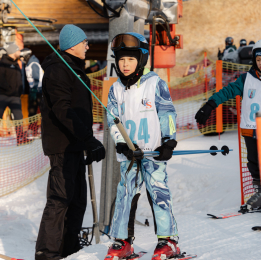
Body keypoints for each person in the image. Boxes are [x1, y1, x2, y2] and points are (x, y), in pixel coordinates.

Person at [105, 32, 179, 260]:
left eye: (130, 59)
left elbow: (167, 112)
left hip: (154, 153)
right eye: (121, 59)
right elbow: (112, 120)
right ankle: (122, 242)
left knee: (158, 193)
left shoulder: (155, 83)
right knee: (125, 194)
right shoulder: (115, 89)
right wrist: (121, 143)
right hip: (130, 155)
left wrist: (169, 140)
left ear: (141, 59)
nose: (125, 64)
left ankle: (167, 241)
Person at [35, 24, 105, 260]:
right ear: (73, 44)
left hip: (75, 144)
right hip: (62, 146)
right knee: (60, 200)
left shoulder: (73, 68)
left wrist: (86, 142)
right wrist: (88, 138)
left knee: (77, 201)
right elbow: (62, 109)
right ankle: (47, 254)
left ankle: (69, 248)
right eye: (84, 42)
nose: (87, 45)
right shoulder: (58, 70)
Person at [195, 40, 261, 209]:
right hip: (251, 128)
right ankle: (259, 193)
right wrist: (210, 104)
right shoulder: (246, 79)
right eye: (259, 59)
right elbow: (228, 91)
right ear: (254, 60)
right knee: (253, 163)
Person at [0, 43, 29, 145]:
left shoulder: (17, 63)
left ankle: (20, 138)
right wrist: (10, 90)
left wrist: (19, 90)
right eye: (18, 51)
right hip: (3, 96)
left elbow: (19, 79)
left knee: (18, 117)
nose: (19, 52)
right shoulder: (2, 63)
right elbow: (1, 80)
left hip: (15, 97)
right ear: (13, 52)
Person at [21, 48, 43, 137]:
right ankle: (33, 129)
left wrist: (35, 90)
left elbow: (37, 78)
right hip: (34, 90)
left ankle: (40, 129)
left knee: (38, 111)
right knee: (32, 111)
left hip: (38, 91)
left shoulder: (33, 63)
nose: (21, 59)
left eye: (22, 57)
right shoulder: (28, 64)